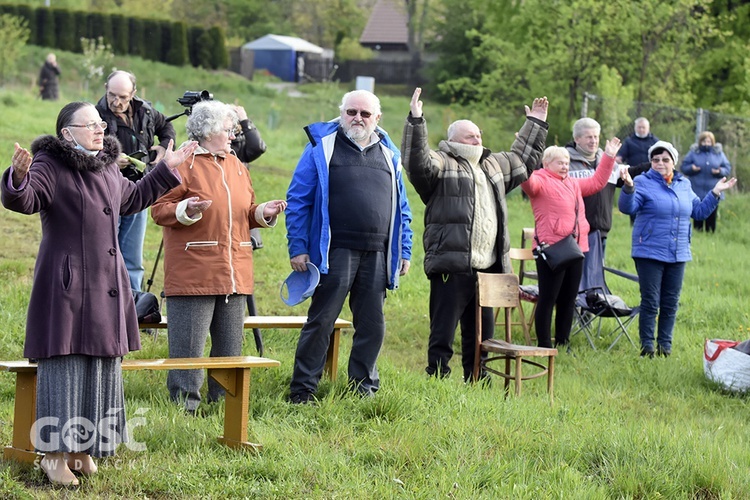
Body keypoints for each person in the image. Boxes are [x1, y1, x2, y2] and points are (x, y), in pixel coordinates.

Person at [1, 101, 193, 486]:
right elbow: (26, 199)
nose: (100, 129)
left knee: (100, 367)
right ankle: (53, 456)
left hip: (106, 284)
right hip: (66, 285)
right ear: (67, 133)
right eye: (90, 124)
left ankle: (82, 449)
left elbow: (131, 199)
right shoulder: (49, 163)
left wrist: (164, 170)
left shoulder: (106, 164)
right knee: (65, 366)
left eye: (101, 124)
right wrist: (17, 177)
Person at [401, 87, 549, 381]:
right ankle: (437, 378)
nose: (477, 139)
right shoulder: (442, 163)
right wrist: (416, 122)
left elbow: (523, 160)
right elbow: (417, 163)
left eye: (478, 134)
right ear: (453, 139)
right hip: (451, 266)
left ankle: (477, 380)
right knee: (443, 329)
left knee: (482, 331)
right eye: (470, 136)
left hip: (487, 268)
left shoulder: (492, 164)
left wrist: (536, 123)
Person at [151, 100, 286, 414]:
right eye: (228, 129)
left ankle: (225, 408)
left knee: (229, 350)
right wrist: (186, 210)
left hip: (235, 273)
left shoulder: (236, 165)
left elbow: (244, 212)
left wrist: (262, 213)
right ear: (209, 131)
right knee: (189, 352)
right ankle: (183, 409)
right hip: (194, 273)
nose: (233, 135)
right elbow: (159, 209)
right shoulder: (183, 162)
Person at [286, 89, 413, 403]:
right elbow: (299, 199)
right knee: (321, 322)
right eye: (352, 112)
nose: (358, 119)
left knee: (372, 325)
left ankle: (363, 389)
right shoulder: (321, 147)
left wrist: (404, 249)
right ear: (341, 114)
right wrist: (298, 246)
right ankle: (303, 390)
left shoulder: (389, 153)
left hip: (378, 253)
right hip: (335, 251)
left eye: (365, 114)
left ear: (377, 119)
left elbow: (403, 208)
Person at [619, 141, 736, 357]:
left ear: (674, 161)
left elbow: (699, 212)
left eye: (665, 159)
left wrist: (715, 193)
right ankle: (647, 348)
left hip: (678, 252)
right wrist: (628, 187)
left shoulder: (684, 184)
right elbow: (627, 208)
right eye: (655, 160)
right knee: (651, 302)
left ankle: (666, 348)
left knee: (671, 303)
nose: (660, 163)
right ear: (651, 162)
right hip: (649, 252)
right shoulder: (642, 182)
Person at [522, 138, 622, 349]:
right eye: (560, 162)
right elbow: (526, 181)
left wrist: (609, 156)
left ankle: (562, 342)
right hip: (550, 249)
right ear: (546, 164)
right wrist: (525, 153)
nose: (565, 166)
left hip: (576, 248)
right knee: (548, 298)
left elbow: (597, 182)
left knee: (568, 300)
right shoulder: (539, 180)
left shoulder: (573, 183)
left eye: (567, 162)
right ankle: (544, 346)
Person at [95, 70, 177, 291]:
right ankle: (108, 306)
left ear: (134, 93)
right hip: (106, 193)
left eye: (123, 97)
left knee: (132, 259)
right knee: (106, 254)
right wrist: (109, 160)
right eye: (112, 95)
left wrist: (164, 145)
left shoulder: (146, 111)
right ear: (105, 88)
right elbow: (82, 152)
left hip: (139, 192)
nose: (116, 101)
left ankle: (134, 310)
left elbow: (166, 127)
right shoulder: (94, 116)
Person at [229, 104, 268, 348]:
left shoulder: (240, 143)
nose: (230, 133)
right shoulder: (207, 142)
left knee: (242, 281)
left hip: (241, 221)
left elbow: (258, 148)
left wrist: (245, 120)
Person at [565, 118, 624, 253]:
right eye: (589, 137)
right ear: (577, 139)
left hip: (600, 232)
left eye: (596, 136)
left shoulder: (607, 161)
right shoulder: (564, 162)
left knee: (595, 274)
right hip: (572, 234)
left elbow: (626, 173)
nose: (594, 141)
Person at [680, 131, 732, 233]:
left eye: (709, 141)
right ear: (700, 142)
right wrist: (692, 168)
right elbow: (683, 167)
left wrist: (719, 171)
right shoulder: (694, 153)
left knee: (711, 214)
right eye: (704, 141)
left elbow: (727, 168)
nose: (706, 143)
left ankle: (710, 233)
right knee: (697, 213)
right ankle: (697, 232)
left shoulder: (719, 154)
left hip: (713, 189)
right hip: (696, 189)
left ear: (712, 142)